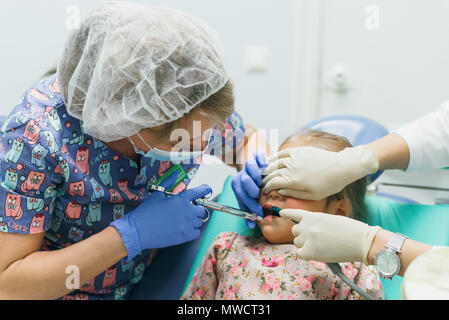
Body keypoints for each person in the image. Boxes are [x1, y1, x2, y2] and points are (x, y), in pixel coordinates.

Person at [0, 2, 269, 300]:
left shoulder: (191, 100)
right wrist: (128, 236)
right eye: (185, 143)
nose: (201, 146)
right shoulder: (37, 136)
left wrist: (258, 170)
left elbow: (245, 141)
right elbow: (10, 284)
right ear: (130, 121)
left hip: (152, 279)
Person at [181, 130, 384, 300]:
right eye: (270, 177)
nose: (273, 191)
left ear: (338, 212)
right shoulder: (226, 248)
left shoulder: (355, 268)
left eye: (292, 183)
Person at [260, 102, 449, 277]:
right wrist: (362, 158)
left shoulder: (353, 276)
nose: (272, 192)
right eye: (267, 180)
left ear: (339, 212)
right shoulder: (232, 247)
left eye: (290, 187)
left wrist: (368, 244)